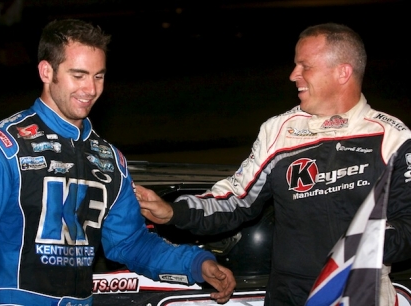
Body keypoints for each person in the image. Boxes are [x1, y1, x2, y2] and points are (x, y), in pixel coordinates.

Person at [0, 19, 235, 306]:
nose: (90, 89)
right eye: (78, 75)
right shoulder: (0, 148)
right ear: (46, 71)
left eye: (98, 76)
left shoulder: (109, 159)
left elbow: (130, 243)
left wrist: (197, 264)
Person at [136, 23, 411, 305]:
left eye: (305, 66)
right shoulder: (280, 130)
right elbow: (235, 202)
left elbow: (408, 227)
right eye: (295, 65)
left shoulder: (393, 138)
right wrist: (172, 212)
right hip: (288, 295)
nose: (294, 76)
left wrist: (358, 246)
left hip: (359, 292)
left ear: (343, 72)